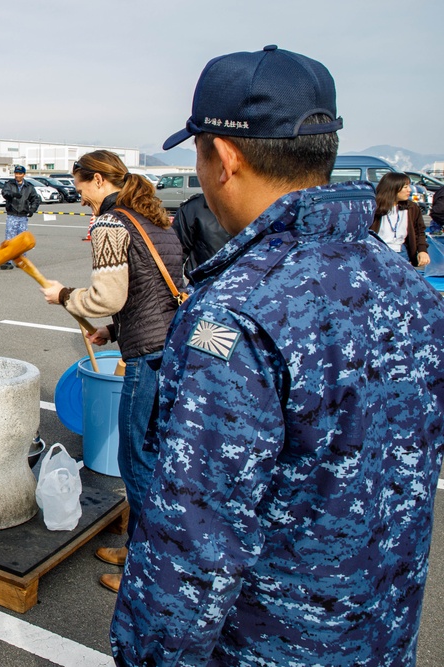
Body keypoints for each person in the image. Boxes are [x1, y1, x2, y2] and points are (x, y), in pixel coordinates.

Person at [111, 45, 444, 666]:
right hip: (381, 638)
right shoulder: (407, 288)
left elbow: (195, 543)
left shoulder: (236, 313)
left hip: (267, 647)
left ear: (226, 158)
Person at [39, 150, 182, 594]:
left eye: (79, 185)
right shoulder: (154, 217)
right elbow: (151, 290)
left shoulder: (109, 223)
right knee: (156, 458)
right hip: (173, 348)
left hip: (147, 356)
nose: (78, 195)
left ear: (98, 180)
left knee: (137, 461)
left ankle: (145, 572)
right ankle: (142, 548)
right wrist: (111, 331)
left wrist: (64, 295)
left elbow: (107, 296)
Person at [371, 172, 430, 268]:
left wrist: (422, 250)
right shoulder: (373, 207)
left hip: (402, 254)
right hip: (377, 253)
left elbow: (419, 232)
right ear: (393, 187)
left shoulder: (411, 208)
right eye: (405, 187)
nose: (409, 190)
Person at [172, 192, 231, 279]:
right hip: (202, 285)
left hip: (246, 286)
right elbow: (174, 256)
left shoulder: (254, 205)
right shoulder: (194, 208)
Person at [0, 165, 40, 268]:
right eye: (16, 173)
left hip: (22, 216)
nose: (18, 175)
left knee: (22, 240)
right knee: (10, 239)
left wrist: (32, 210)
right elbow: (5, 193)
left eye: (20, 174)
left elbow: (35, 199)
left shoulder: (29, 187)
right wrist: (13, 194)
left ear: (24, 174)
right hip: (12, 215)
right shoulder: (9, 184)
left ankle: (21, 260)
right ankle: (8, 261)